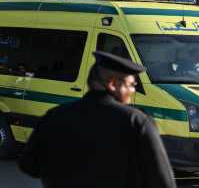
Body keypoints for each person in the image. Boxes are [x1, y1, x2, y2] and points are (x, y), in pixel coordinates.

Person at [19, 51, 177, 188]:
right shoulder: (136, 121)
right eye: (131, 84)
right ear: (113, 84)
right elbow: (161, 180)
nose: (133, 90)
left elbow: (28, 165)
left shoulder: (54, 116)